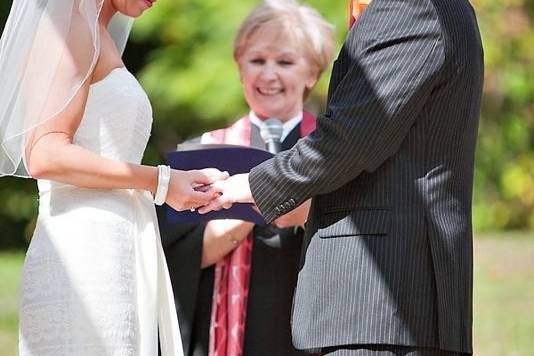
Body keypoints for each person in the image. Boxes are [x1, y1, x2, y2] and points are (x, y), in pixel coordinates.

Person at [201, 0, 484, 355]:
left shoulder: (409, 6)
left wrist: (251, 185)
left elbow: (352, 138)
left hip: (380, 301)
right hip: (389, 306)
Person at [0, 1, 227, 355]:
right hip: (84, 255)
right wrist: (159, 182)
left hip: (118, 249)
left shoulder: (96, 31)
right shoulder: (72, 27)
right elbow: (45, 153)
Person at [158, 1, 335, 355]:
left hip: (309, 324)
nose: (268, 75)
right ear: (240, 67)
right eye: (257, 61)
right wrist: (250, 206)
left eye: (285, 62)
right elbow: (180, 259)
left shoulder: (332, 154)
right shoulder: (202, 153)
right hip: (224, 331)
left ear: (312, 73)